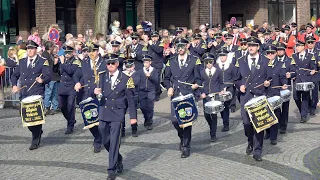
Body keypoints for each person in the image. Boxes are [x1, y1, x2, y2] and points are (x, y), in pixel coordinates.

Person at [94, 54, 137, 180]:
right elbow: (96, 90)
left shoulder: (126, 78)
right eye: (108, 63)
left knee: (114, 142)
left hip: (118, 112)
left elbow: (131, 98)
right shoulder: (101, 76)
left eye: (113, 63)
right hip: (104, 110)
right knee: (104, 138)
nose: (110, 66)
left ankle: (111, 169)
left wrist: (133, 117)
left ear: (117, 64)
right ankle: (118, 158)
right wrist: (95, 92)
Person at [163, 38, 201, 158]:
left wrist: (196, 84)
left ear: (187, 46)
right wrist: (168, 87)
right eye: (177, 46)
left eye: (182, 46)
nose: (180, 48)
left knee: (186, 122)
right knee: (175, 121)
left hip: (188, 94)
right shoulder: (171, 61)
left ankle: (186, 146)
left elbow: (199, 78)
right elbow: (166, 78)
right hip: (176, 94)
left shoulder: (194, 60)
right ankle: (182, 136)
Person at [11, 40, 51, 150]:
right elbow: (14, 75)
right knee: (26, 118)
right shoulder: (22, 61)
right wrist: (14, 85)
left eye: (32, 48)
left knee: (35, 116)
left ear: (36, 50)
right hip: (24, 93)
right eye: (28, 48)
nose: (29, 50)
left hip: (37, 93)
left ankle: (35, 139)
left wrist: (42, 80)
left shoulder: (42, 61)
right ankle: (37, 131)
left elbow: (48, 76)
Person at [235, 36, 270, 161]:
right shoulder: (241, 60)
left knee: (259, 124)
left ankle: (257, 150)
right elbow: (236, 79)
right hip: (246, 96)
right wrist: (240, 86)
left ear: (258, 47)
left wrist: (267, 83)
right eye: (249, 45)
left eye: (253, 45)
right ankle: (250, 140)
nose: (251, 47)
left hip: (259, 95)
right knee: (246, 123)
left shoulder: (265, 60)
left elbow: (269, 77)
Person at [73, 43, 103, 153]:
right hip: (86, 94)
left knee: (101, 119)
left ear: (98, 51)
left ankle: (103, 137)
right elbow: (77, 74)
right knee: (90, 119)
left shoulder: (103, 63)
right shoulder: (85, 62)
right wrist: (77, 83)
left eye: (94, 51)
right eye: (90, 51)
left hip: (100, 94)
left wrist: (98, 88)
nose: (92, 53)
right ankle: (97, 138)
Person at [287, 40, 317, 123]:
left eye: (298, 46)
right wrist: (291, 75)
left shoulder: (310, 56)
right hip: (297, 80)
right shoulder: (294, 56)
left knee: (305, 97)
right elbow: (292, 68)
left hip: (306, 80)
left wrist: (313, 71)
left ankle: (303, 115)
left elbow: (314, 67)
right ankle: (303, 110)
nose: (297, 48)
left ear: (303, 47)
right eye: (296, 46)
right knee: (296, 97)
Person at [263, 44, 286, 145]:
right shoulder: (262, 64)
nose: (270, 55)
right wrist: (264, 82)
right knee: (265, 114)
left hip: (275, 93)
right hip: (265, 92)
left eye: (272, 53)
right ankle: (268, 132)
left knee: (276, 114)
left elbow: (282, 77)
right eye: (268, 53)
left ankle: (273, 136)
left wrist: (284, 84)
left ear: (276, 53)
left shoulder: (280, 64)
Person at [200, 53, 223, 141]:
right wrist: (201, 93)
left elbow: (221, 82)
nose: (209, 64)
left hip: (215, 96)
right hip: (206, 96)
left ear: (213, 62)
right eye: (207, 62)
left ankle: (213, 133)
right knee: (206, 115)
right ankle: (211, 127)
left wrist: (221, 90)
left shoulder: (218, 71)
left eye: (210, 62)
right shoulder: (202, 72)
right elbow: (200, 84)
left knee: (213, 115)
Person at [58, 45, 80, 134]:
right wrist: (56, 64)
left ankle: (70, 126)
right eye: (66, 52)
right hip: (63, 86)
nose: (67, 54)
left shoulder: (76, 61)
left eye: (69, 52)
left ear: (73, 52)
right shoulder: (63, 61)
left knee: (70, 106)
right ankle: (71, 119)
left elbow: (70, 71)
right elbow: (59, 72)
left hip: (71, 86)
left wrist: (62, 63)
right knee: (62, 106)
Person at [216, 48, 237, 131]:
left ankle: (226, 124)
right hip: (219, 88)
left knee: (226, 106)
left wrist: (227, 86)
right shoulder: (216, 66)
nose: (222, 57)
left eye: (223, 55)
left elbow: (235, 78)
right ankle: (224, 121)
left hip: (229, 88)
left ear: (227, 56)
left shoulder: (231, 66)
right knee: (221, 106)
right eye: (220, 55)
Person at [137, 54, 158, 132]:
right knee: (142, 107)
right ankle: (146, 118)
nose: (145, 64)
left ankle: (149, 122)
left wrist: (150, 76)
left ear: (150, 62)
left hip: (151, 90)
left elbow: (157, 81)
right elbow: (137, 81)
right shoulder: (140, 71)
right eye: (144, 62)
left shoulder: (154, 70)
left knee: (150, 107)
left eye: (147, 62)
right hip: (142, 91)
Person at [276, 43, 292, 134]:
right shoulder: (273, 60)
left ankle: (283, 126)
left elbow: (295, 71)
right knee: (277, 106)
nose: (280, 51)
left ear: (284, 50)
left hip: (286, 87)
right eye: (278, 50)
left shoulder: (289, 60)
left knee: (285, 107)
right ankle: (277, 123)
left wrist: (291, 75)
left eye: (281, 50)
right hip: (277, 87)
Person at [43, 41, 60, 115]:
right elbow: (47, 67)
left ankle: (55, 107)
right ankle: (46, 107)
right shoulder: (45, 55)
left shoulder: (52, 55)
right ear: (50, 47)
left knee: (55, 93)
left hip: (55, 77)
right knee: (48, 93)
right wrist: (54, 63)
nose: (54, 48)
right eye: (53, 47)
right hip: (50, 77)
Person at [148, 31, 164, 101]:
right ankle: (157, 91)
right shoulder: (149, 44)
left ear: (157, 37)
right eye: (152, 37)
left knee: (156, 79)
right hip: (151, 64)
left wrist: (152, 45)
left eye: (155, 37)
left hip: (158, 64)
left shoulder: (160, 43)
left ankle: (156, 94)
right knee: (151, 79)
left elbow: (159, 50)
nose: (154, 38)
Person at [305, 36, 319, 116]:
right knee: (306, 91)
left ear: (314, 43)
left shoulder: (318, 52)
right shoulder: (304, 52)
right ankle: (308, 105)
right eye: (309, 43)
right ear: (306, 44)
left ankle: (313, 108)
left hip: (316, 74)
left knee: (314, 92)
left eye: (312, 43)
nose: (310, 44)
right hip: (306, 74)